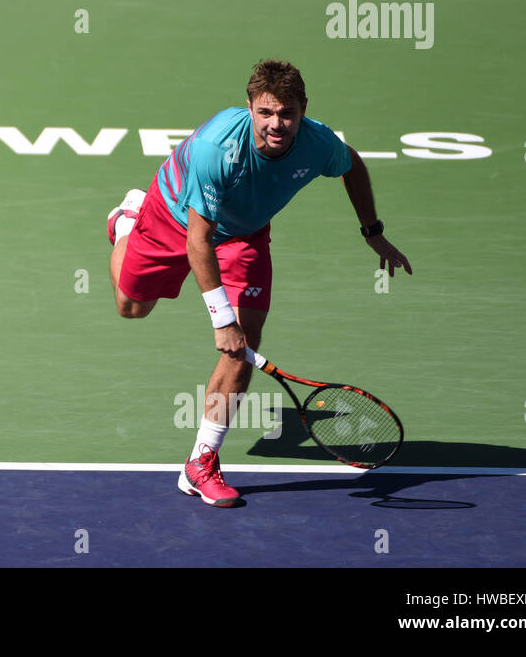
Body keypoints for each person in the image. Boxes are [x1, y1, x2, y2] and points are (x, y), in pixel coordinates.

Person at [106, 59, 412, 507]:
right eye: (266, 112)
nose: (277, 124)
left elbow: (352, 165)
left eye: (286, 113)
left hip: (246, 233)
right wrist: (220, 319)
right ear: (249, 107)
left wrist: (374, 232)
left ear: (303, 109)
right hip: (175, 215)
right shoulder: (217, 149)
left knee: (245, 343)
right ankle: (126, 223)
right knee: (131, 307)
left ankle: (201, 462)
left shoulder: (318, 143)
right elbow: (199, 241)